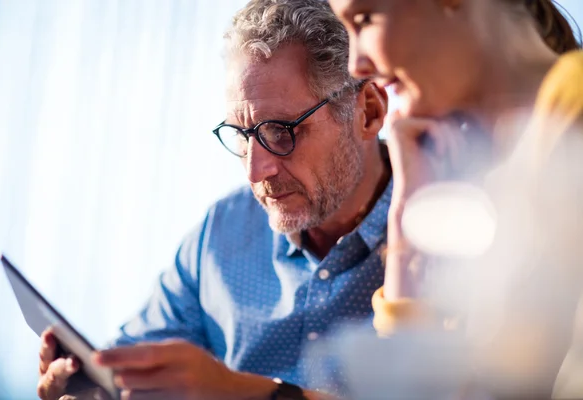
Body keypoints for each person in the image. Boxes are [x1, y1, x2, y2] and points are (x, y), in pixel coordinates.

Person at [36, 0, 392, 399]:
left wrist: (242, 392)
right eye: (243, 135)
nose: (256, 172)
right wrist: (91, 386)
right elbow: (132, 368)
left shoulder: (448, 237)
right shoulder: (223, 232)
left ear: (369, 112)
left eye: (280, 131)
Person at [329, 0, 583, 397]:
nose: (355, 65)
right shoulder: (500, 176)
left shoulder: (572, 115)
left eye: (364, 19)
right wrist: (406, 217)